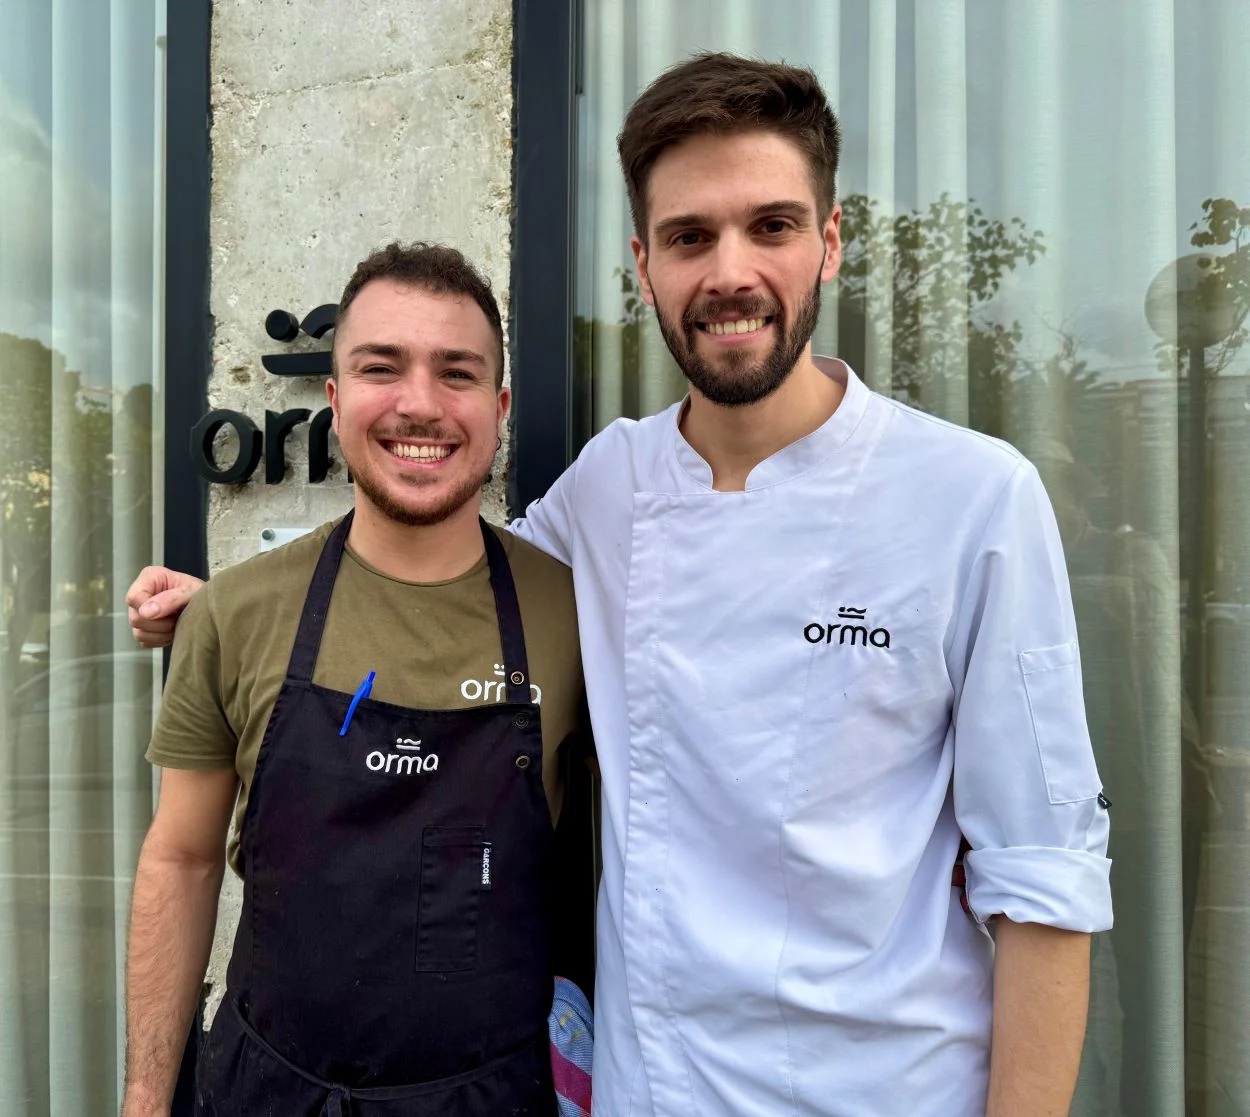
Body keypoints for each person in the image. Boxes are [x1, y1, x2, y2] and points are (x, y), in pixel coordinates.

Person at [129, 54, 1112, 1117]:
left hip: (881, 1089)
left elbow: (1042, 878)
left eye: (771, 226)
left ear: (829, 244)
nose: (729, 270)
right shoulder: (610, 488)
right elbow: (431, 561)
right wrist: (229, 606)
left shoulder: (972, 502)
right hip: (647, 1089)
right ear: (643, 266)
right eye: (690, 237)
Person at [121, 243, 587, 1116]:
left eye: (457, 372)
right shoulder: (238, 613)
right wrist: (145, 1104)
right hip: (266, 1090)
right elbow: (180, 860)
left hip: (497, 1096)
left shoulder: (578, 615)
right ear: (334, 404)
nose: (420, 403)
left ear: (500, 407)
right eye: (382, 367)